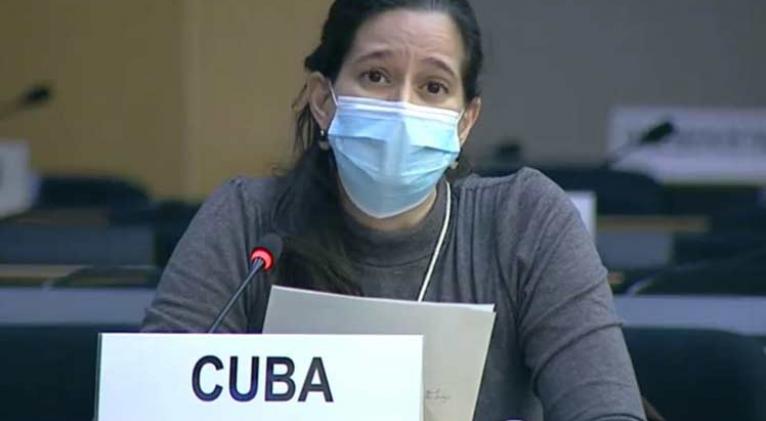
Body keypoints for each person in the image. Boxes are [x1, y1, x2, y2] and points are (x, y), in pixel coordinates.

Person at [142, 0, 646, 420]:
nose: (402, 108)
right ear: (323, 100)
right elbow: (151, 402)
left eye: (433, 87)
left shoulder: (525, 221)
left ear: (465, 122)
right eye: (376, 76)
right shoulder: (248, 220)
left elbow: (607, 411)